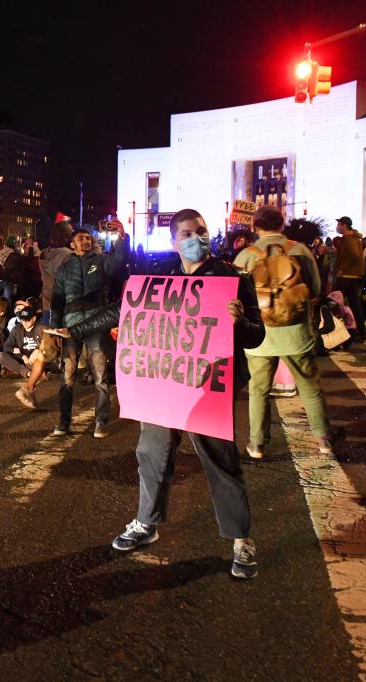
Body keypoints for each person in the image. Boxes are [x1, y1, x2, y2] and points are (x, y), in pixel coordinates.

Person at [66, 208, 265, 579]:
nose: (196, 238)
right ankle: (146, 523)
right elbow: (123, 310)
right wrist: (76, 331)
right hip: (167, 383)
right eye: (187, 233)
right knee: (152, 454)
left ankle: (240, 539)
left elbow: (258, 335)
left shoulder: (232, 278)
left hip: (209, 387)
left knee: (220, 460)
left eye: (201, 231)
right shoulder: (165, 278)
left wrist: (241, 323)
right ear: (175, 241)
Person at [233, 205, 345, 458]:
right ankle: (324, 439)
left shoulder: (245, 257)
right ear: (282, 225)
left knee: (258, 390)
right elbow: (316, 290)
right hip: (295, 332)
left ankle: (257, 444)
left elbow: (236, 299)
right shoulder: (300, 250)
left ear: (255, 226)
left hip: (259, 336)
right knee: (309, 387)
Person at [50, 219, 130, 438]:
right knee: (67, 377)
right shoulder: (64, 269)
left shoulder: (102, 260)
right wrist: (54, 328)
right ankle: (63, 422)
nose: (85, 241)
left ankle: (101, 421)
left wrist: (122, 238)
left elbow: (120, 263)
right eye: (80, 238)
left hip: (96, 324)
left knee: (100, 376)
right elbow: (56, 301)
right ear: (72, 243)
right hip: (70, 327)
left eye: (88, 238)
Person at [0, 300, 46, 394]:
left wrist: (38, 350)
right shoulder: (17, 329)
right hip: (23, 360)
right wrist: (22, 356)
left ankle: (31, 372)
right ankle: (28, 373)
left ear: (34, 318)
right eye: (23, 319)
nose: (25, 322)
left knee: (43, 356)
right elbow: (6, 346)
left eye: (27, 319)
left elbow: (49, 345)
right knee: (0, 355)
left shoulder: (41, 328)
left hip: (37, 360)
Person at [332, 216, 366, 337]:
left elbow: (354, 255)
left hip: (347, 276)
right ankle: (361, 331)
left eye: (339, 225)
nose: (337, 227)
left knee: (334, 302)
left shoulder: (349, 239)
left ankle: (334, 333)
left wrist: (342, 269)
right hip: (353, 276)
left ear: (344, 225)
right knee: (355, 304)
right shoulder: (353, 238)